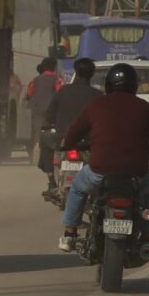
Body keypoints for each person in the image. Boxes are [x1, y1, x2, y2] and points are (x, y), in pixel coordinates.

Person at [58, 63, 149, 252]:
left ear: (108, 84)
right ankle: (147, 234)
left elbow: (74, 132)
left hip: (99, 173)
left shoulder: (97, 105)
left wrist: (67, 144)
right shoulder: (145, 108)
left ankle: (70, 233)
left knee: (77, 188)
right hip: (136, 175)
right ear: (134, 85)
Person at [41, 57, 101, 201]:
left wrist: (53, 123)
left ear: (76, 72)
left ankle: (51, 181)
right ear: (91, 75)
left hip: (64, 140)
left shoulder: (63, 91)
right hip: (88, 143)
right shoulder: (97, 95)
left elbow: (49, 114)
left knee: (44, 140)